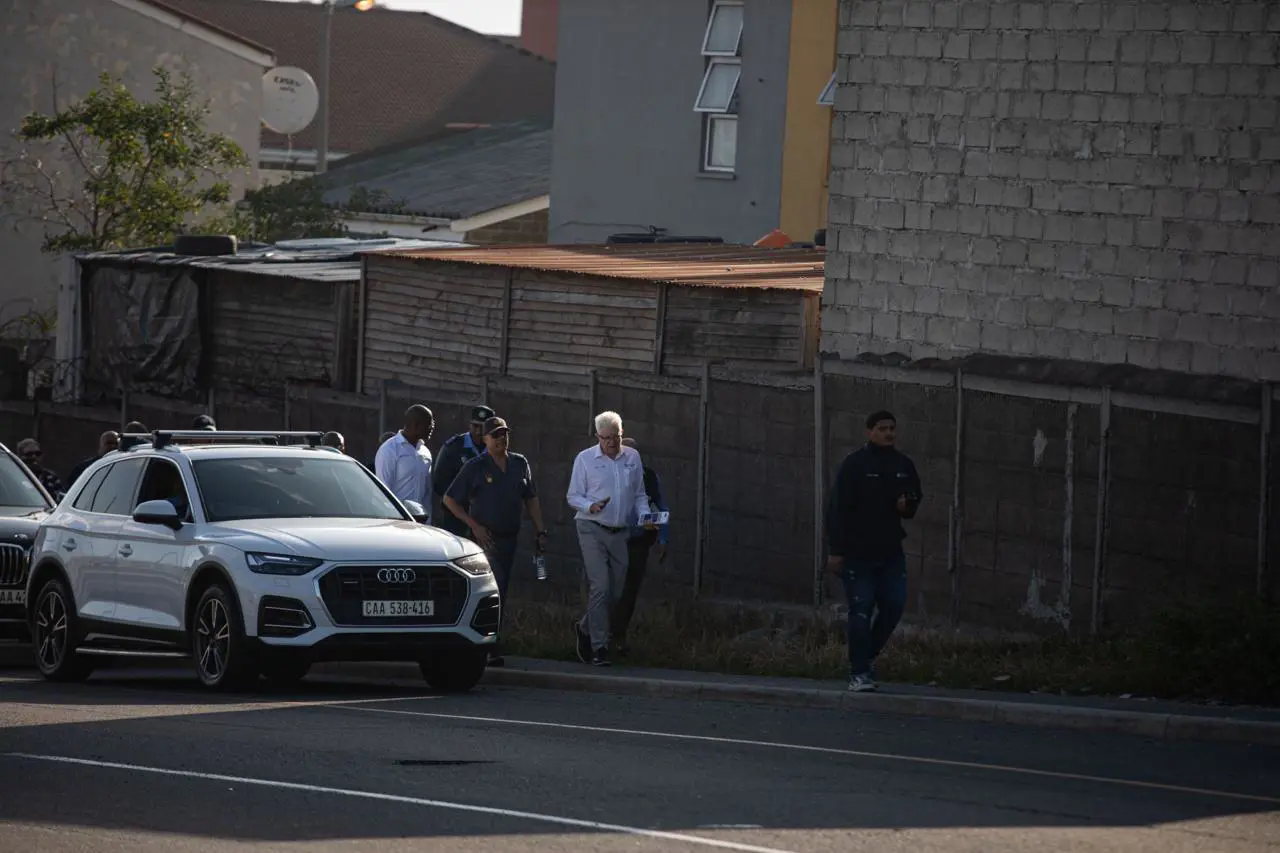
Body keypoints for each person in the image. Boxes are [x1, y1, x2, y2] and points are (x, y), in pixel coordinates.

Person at [825, 410, 922, 693]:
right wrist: (836, 551)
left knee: (893, 605)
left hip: (890, 551)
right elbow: (838, 510)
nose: (888, 433)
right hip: (857, 553)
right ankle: (858, 673)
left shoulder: (903, 464)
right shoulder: (855, 464)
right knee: (861, 610)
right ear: (869, 432)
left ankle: (867, 655)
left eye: (892, 428)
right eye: (882, 428)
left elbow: (912, 501)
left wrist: (907, 506)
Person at [442, 416, 546, 667]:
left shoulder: (520, 464)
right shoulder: (476, 467)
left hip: (510, 537)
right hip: (486, 539)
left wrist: (540, 530)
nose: (501, 438)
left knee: (502, 590)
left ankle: (490, 640)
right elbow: (450, 499)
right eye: (495, 434)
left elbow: (530, 498)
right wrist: (474, 525)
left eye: (504, 434)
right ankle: (487, 645)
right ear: (485, 439)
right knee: (493, 588)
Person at [566, 411, 651, 667]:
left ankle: (585, 628)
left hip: (620, 531)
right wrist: (590, 506)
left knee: (616, 591)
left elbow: (639, 494)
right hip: (591, 526)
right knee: (600, 586)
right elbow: (573, 496)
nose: (612, 443)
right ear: (597, 437)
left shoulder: (632, 457)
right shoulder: (585, 459)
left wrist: (646, 515)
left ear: (622, 434)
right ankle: (599, 648)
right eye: (606, 439)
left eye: (616, 437)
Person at [610, 437, 669, 656]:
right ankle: (598, 635)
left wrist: (662, 538)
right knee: (607, 589)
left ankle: (618, 636)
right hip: (612, 538)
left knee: (629, 591)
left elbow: (661, 506)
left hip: (637, 542)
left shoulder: (649, 477)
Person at [432, 405, 495, 536]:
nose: (478, 432)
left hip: (486, 518)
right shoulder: (454, 447)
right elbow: (440, 483)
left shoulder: (496, 449)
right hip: (456, 517)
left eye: (483, 428)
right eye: (475, 426)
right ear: (469, 425)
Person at [375, 405, 435, 522]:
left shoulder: (425, 452)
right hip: (396, 521)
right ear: (415, 425)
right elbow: (383, 491)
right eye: (429, 424)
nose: (432, 428)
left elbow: (427, 492)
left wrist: (428, 520)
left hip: (420, 522)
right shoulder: (389, 449)